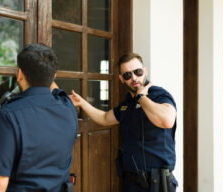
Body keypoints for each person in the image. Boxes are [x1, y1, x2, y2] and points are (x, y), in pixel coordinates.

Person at [70, 53, 178, 192]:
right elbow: (104, 118)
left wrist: (141, 97)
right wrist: (81, 103)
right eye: (127, 75)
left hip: (157, 184)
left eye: (138, 72)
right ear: (121, 78)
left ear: (145, 71)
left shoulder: (159, 95)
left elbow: (167, 120)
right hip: (132, 183)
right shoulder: (127, 104)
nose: (134, 78)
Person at [0, 43, 78, 192]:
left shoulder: (9, 115)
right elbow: (56, 89)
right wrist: (47, 72)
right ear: (54, 76)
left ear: (20, 74)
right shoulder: (67, 107)